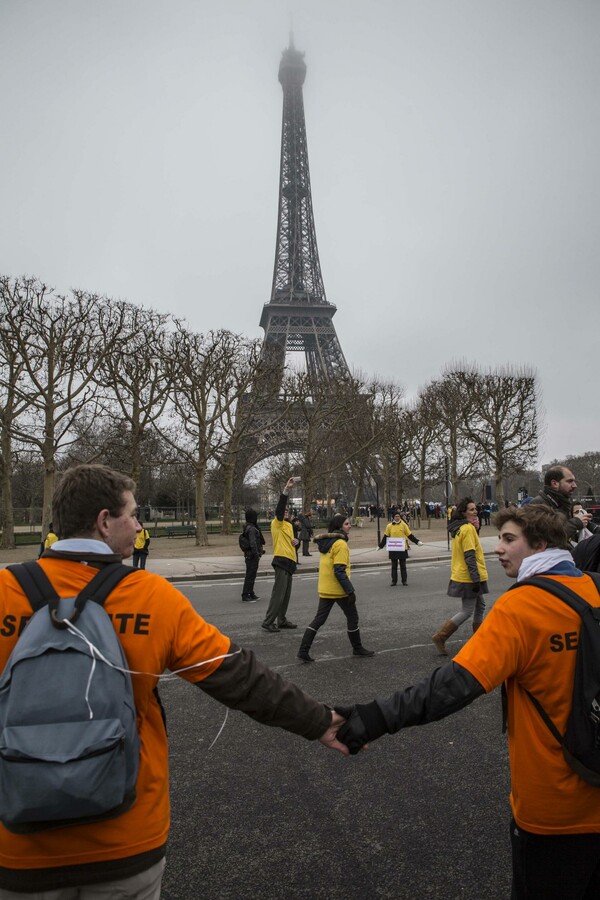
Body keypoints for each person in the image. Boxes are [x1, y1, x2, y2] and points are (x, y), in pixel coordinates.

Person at [0, 464, 348, 896]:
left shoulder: (3, 590)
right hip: (125, 836)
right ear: (105, 521)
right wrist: (320, 721)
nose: (140, 524)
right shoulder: (149, 596)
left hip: (17, 842)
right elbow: (241, 678)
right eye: (133, 514)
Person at [336, 504, 600, 900]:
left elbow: (451, 687)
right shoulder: (596, 587)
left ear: (541, 544)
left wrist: (371, 718)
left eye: (509, 539)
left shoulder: (519, 607)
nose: (499, 548)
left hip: (553, 806)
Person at [297, 514, 374, 662]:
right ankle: (357, 648)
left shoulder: (326, 542)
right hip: (339, 589)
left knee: (318, 620)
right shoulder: (340, 544)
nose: (350, 526)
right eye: (346, 524)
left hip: (325, 587)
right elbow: (339, 570)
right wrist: (350, 591)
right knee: (353, 617)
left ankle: (303, 650)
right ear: (339, 527)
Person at [431, 497, 489, 655]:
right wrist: (476, 579)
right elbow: (469, 555)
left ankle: (479, 639)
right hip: (469, 576)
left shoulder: (460, 528)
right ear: (463, 513)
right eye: (471, 509)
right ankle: (440, 636)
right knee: (467, 611)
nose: (475, 511)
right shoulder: (467, 529)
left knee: (480, 606)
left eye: (475, 509)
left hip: (464, 574)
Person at [261, 477, 300, 633]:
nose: (285, 512)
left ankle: (281, 619)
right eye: (283, 510)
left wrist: (296, 542)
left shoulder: (289, 525)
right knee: (278, 594)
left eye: (287, 511)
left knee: (286, 595)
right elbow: (280, 509)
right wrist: (286, 490)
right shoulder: (276, 523)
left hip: (290, 561)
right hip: (281, 560)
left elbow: (290, 542)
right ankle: (268, 621)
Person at [530, 466, 586, 542]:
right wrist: (576, 522)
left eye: (574, 481)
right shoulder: (537, 505)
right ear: (554, 484)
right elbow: (547, 538)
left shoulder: (562, 504)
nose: (574, 485)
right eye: (570, 481)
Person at [377, 511, 422, 586]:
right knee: (394, 566)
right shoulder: (389, 526)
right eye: (396, 516)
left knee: (403, 565)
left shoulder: (404, 525)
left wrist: (417, 542)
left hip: (402, 548)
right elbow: (385, 537)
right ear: (393, 517)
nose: (397, 517)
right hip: (393, 549)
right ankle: (394, 581)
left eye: (398, 516)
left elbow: (410, 535)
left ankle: (404, 580)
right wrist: (380, 546)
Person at [241, 508, 265, 601]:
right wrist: (257, 554)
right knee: (250, 575)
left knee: (251, 575)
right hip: (252, 556)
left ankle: (250, 592)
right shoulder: (251, 529)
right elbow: (253, 543)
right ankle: (245, 594)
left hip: (250, 555)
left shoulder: (249, 527)